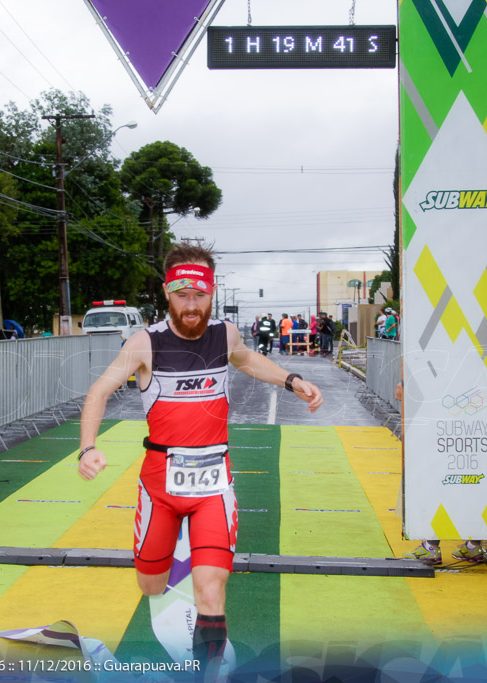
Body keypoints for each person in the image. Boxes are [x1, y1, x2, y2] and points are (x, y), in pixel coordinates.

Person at [77, 243, 323, 678]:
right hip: (159, 486)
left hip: (214, 487)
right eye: (182, 294)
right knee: (150, 584)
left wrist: (291, 379)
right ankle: (178, 552)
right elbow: (98, 392)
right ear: (167, 293)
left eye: (200, 295)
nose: (192, 305)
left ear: (212, 293)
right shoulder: (144, 343)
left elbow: (246, 359)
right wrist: (88, 447)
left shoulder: (224, 335)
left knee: (212, 591)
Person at [392, 381, 485, 565]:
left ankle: (431, 547)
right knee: (469, 471)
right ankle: (474, 544)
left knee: (436, 474)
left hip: (443, 401)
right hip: (471, 398)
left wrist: (404, 382)